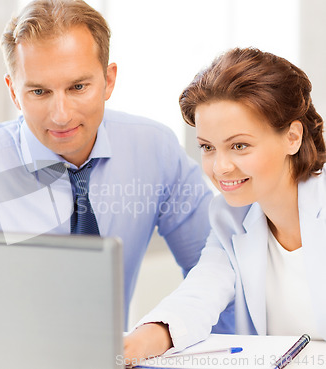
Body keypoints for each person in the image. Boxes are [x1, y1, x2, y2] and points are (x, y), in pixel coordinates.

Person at [0, 0, 216, 347]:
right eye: (39, 91)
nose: (61, 115)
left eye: (78, 87)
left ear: (108, 80)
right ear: (13, 92)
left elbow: (216, 266)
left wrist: (173, 332)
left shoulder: (154, 150)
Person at [124, 47, 326, 364]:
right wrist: (134, 345)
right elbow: (199, 295)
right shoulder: (229, 216)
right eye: (207, 147)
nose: (220, 168)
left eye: (239, 145)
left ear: (292, 137)